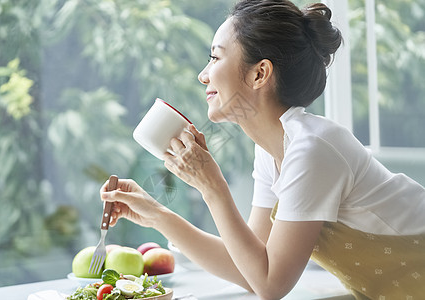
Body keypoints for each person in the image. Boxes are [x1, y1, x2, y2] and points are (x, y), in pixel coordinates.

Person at [100, 0, 425, 299]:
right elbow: (250, 269)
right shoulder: (273, 151)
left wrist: (212, 187)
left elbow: (270, 285)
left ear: (259, 73)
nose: (203, 75)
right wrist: (156, 215)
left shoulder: (312, 149)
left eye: (215, 57)